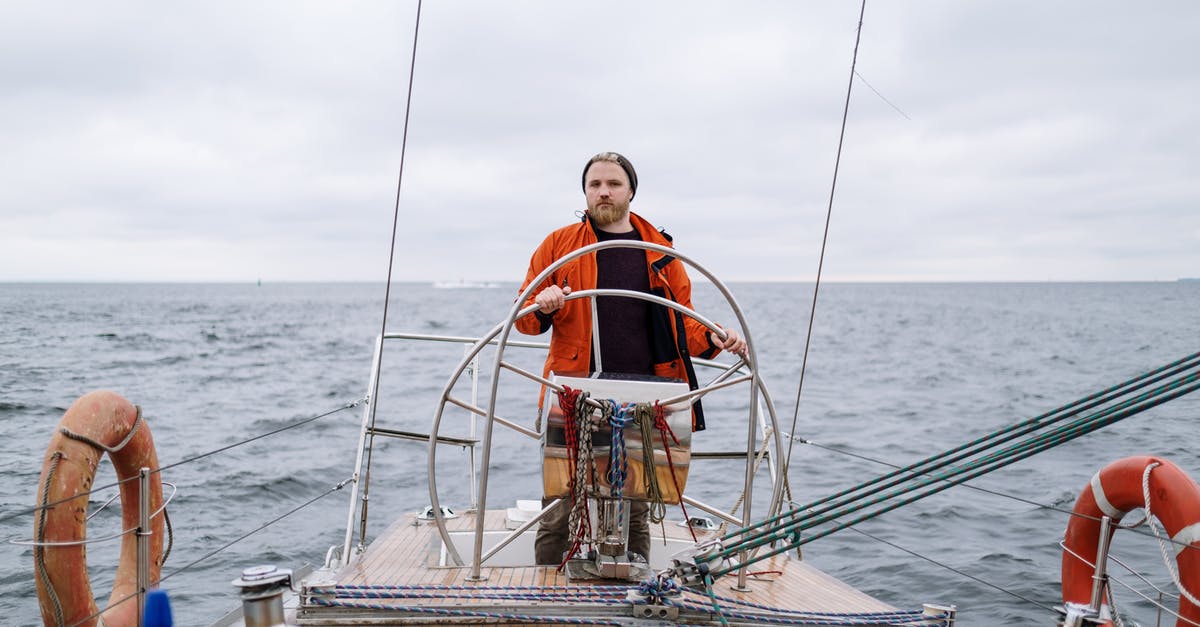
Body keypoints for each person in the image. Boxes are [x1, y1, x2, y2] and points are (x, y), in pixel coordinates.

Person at [516, 151, 746, 566]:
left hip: (642, 398)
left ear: (631, 191)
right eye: (595, 185)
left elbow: (683, 327)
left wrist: (714, 337)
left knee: (637, 508)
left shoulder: (659, 252)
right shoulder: (558, 245)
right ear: (585, 193)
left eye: (613, 184)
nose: (603, 191)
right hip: (572, 393)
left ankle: (637, 591)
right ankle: (545, 594)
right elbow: (524, 320)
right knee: (559, 510)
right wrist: (543, 305)